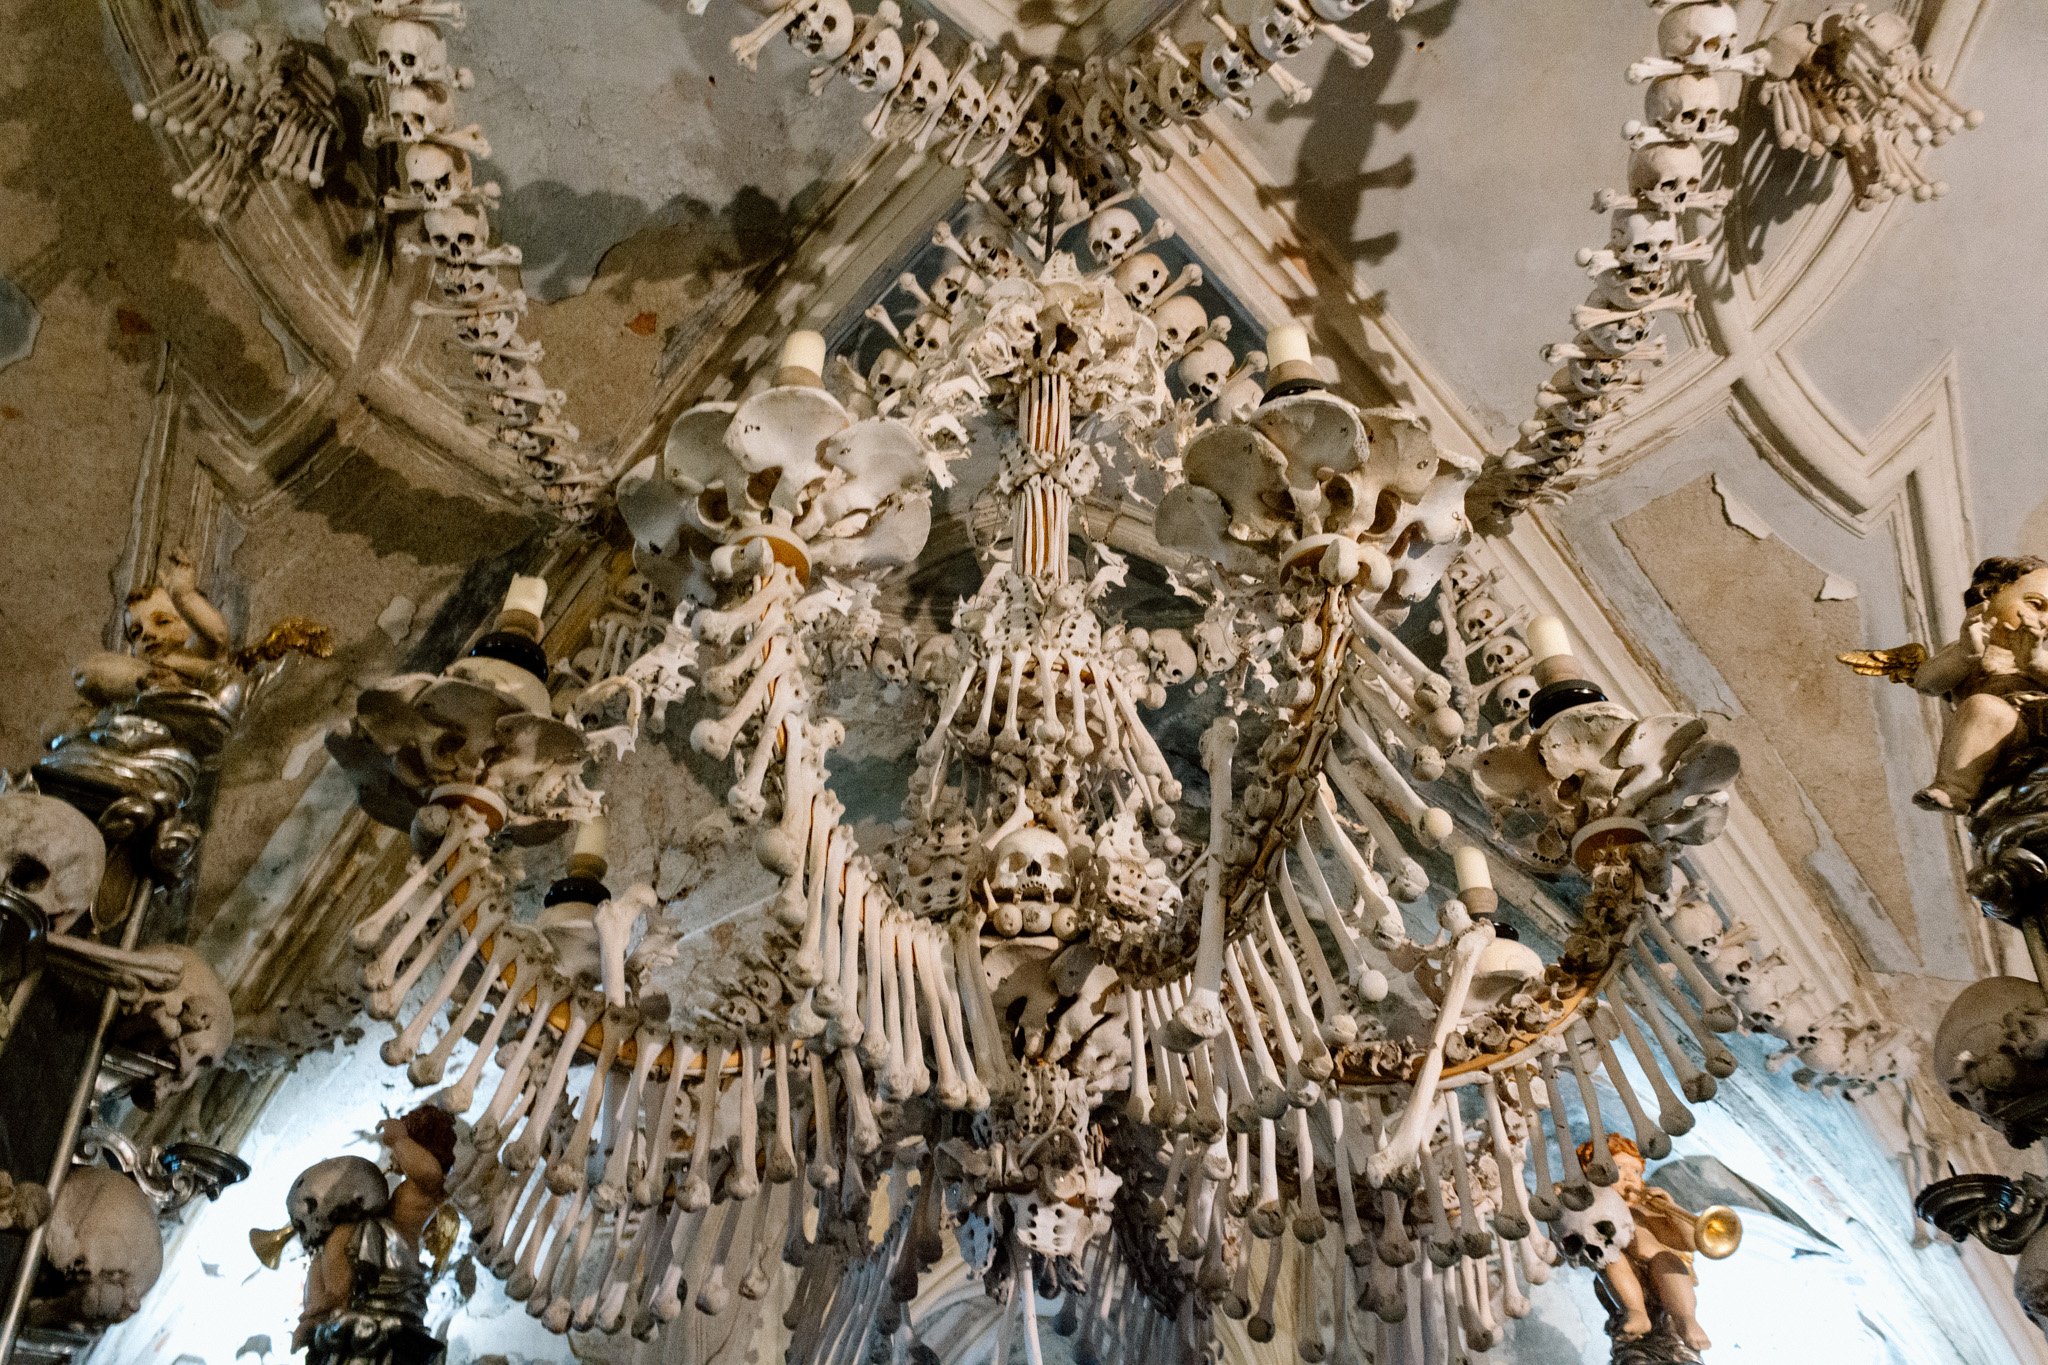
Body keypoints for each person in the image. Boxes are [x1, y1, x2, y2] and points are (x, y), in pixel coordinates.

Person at [1578, 1134, 1710, 1353]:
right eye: (1619, 1168)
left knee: (1666, 1259)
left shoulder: (1647, 1212)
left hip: (1666, 1282)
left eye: (1636, 1171)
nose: (1630, 1178)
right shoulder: (1596, 1211)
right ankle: (1636, 1312)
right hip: (1623, 1282)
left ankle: (1686, 1318)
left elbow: (1690, 1241)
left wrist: (1671, 1208)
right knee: (1610, 1257)